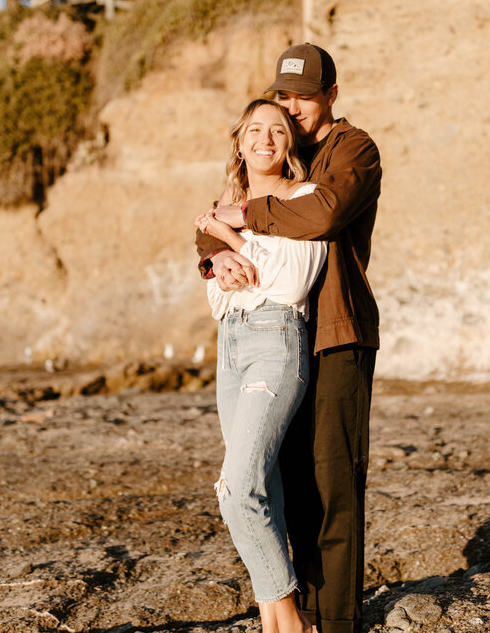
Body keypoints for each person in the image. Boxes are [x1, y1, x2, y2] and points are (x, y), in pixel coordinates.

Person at [196, 44, 381, 633]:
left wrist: (239, 221)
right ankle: (291, 608)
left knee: (334, 481)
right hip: (282, 333)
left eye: (306, 95)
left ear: (331, 94)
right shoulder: (286, 153)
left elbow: (322, 214)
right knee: (286, 481)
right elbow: (215, 213)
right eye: (285, 97)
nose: (295, 108)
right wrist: (212, 253)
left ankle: (338, 621)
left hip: (336, 330)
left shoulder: (354, 150)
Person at [195, 98, 327, 633]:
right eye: (255, 129)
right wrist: (221, 260)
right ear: (240, 140)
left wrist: (228, 238)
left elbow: (291, 281)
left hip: (277, 339)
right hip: (231, 345)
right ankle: (273, 621)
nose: (266, 139)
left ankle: (290, 620)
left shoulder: (306, 199)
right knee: (260, 487)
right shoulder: (228, 201)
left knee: (236, 485)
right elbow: (221, 296)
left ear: (289, 143)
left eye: (277, 130)